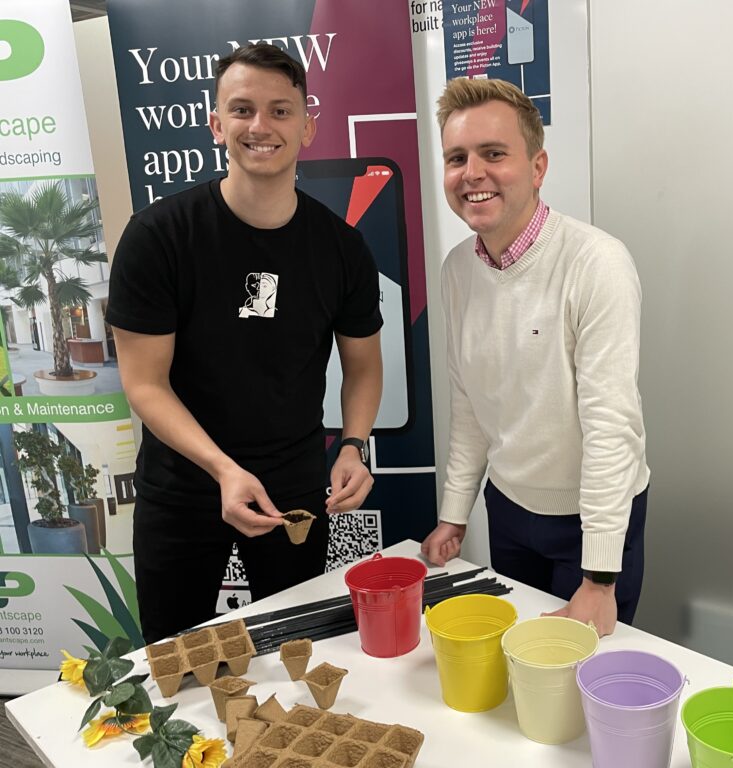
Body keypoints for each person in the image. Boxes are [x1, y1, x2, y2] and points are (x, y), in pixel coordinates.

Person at [107, 43, 383, 643]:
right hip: (183, 488)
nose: (261, 126)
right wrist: (222, 469)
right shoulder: (158, 237)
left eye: (281, 111)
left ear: (307, 127)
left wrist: (353, 445)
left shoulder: (341, 248)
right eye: (242, 109)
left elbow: (363, 366)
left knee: (293, 650)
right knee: (176, 658)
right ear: (216, 125)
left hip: (294, 489)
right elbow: (144, 384)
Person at [421, 79, 650, 636]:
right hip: (509, 509)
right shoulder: (457, 270)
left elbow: (610, 425)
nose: (472, 173)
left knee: (578, 673)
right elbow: (469, 403)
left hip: (592, 520)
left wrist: (600, 578)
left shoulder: (596, 263)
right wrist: (455, 513)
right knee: (516, 657)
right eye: (457, 158)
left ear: (538, 166)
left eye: (494, 154)